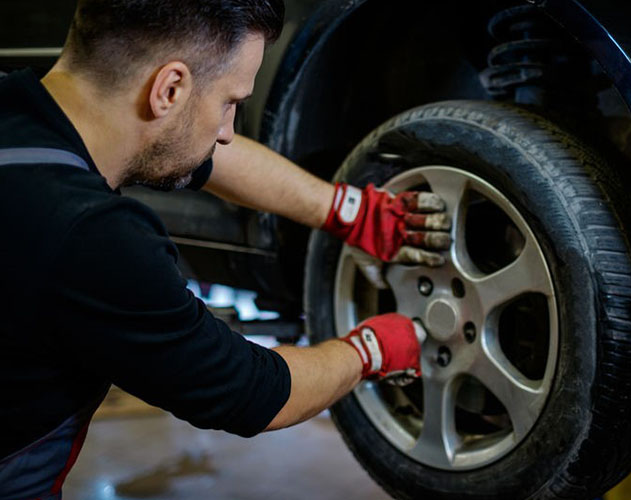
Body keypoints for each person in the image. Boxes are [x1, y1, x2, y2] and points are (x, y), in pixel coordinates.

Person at [0, 1, 452, 498]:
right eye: (231, 101)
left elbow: (207, 158)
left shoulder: (18, 110)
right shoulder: (92, 239)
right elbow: (253, 392)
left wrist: (348, 210)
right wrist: (369, 349)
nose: (227, 130)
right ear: (169, 88)